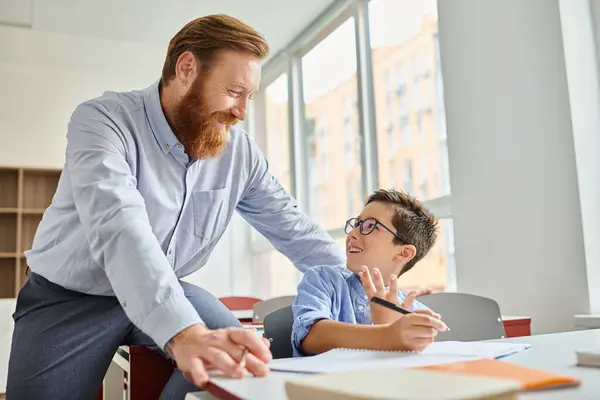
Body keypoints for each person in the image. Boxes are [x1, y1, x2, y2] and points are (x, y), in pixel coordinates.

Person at [6, 14, 345, 399]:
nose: (242, 112)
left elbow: (296, 230)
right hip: (69, 299)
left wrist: (363, 287)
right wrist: (184, 333)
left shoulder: (239, 152)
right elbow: (120, 228)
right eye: (235, 91)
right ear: (186, 69)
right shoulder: (103, 121)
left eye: (250, 96)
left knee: (236, 363)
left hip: (169, 288)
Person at [292, 189, 448, 357]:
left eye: (370, 226)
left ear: (404, 253)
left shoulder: (413, 312)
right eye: (356, 224)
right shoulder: (324, 279)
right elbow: (310, 337)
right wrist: (386, 334)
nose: (352, 234)